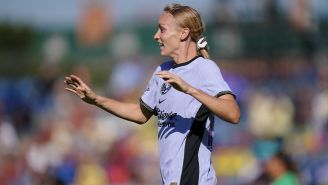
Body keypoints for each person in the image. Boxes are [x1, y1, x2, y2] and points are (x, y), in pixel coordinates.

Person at [64, 3, 240, 185]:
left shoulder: (204, 68)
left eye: (162, 30)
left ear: (183, 33)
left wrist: (190, 90)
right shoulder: (162, 71)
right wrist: (96, 100)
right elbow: (140, 113)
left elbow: (233, 113)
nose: (156, 36)